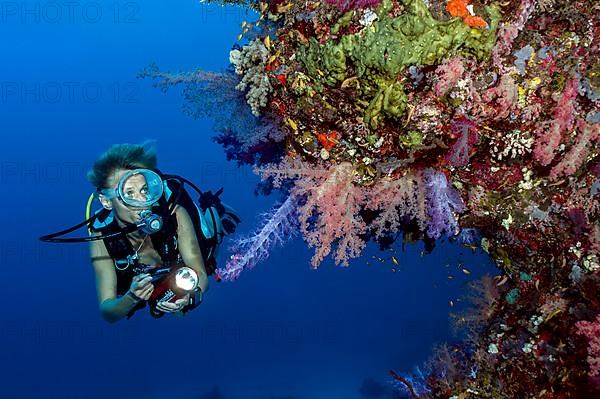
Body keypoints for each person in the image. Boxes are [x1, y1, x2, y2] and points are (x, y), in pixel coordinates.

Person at [86, 143, 210, 323]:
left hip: (182, 264)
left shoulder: (174, 213)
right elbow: (108, 312)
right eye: (128, 193)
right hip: (156, 279)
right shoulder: (100, 237)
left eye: (144, 190)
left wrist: (191, 296)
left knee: (211, 235)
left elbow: (201, 273)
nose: (143, 201)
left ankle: (217, 212)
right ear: (106, 201)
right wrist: (131, 297)